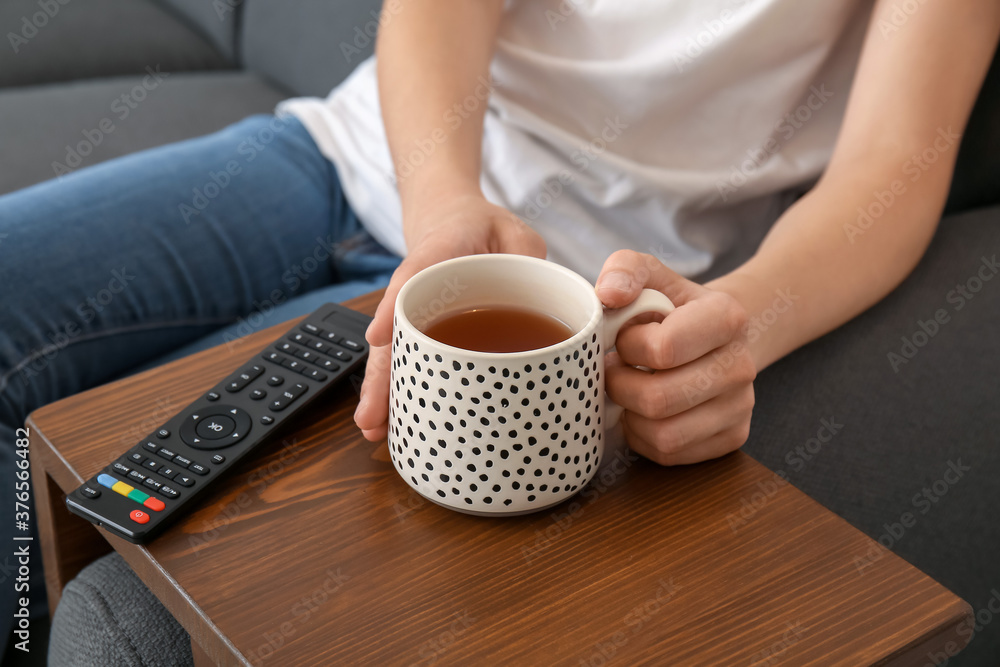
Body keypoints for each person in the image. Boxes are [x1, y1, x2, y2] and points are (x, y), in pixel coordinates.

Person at [1, 0, 998, 662]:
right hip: (347, 163)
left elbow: (896, 163)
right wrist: (443, 210)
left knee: (106, 577)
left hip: (560, 314)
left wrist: (741, 327)